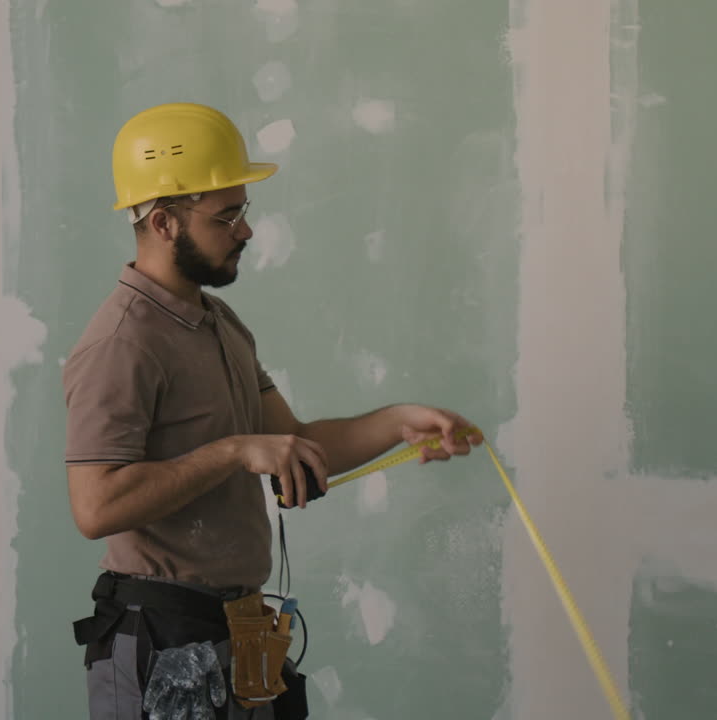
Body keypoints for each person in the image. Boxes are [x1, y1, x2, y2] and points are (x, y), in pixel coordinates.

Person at [62, 102, 484, 720]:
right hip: (161, 644)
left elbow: (292, 441)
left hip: (231, 634)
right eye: (226, 216)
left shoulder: (218, 322)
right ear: (163, 223)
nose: (246, 231)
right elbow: (95, 507)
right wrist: (234, 451)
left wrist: (399, 423)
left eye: (244, 211)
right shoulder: (122, 343)